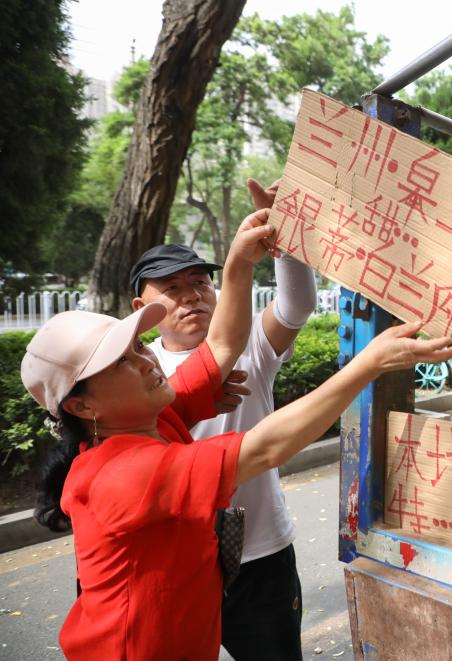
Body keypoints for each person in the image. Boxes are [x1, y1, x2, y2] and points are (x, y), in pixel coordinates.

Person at [24, 210, 452, 660]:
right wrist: (368, 364)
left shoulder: (155, 414)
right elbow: (268, 446)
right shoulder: (123, 472)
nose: (147, 361)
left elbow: (222, 345)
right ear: (82, 406)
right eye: (123, 362)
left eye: (137, 348)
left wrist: (237, 263)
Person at [129, 179, 316, 659]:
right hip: (180, 564)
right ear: (141, 309)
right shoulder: (133, 371)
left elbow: (296, 306)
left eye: (199, 282)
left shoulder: (251, 344)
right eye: (171, 288)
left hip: (261, 554)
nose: (191, 296)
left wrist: (287, 234)